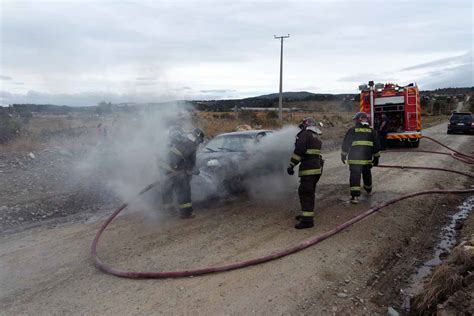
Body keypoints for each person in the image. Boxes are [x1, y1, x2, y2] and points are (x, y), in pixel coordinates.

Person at [287, 117, 324, 229]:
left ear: (305, 125)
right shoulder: (316, 135)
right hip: (317, 168)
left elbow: (299, 151)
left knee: (305, 193)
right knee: (309, 191)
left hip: (308, 168)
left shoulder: (305, 134)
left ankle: (307, 221)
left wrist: (291, 165)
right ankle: (305, 214)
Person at [160, 128, 204, 219]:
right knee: (184, 191)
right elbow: (191, 163)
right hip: (177, 173)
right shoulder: (191, 146)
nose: (199, 144)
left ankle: (169, 212)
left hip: (165, 171)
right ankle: (186, 213)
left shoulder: (176, 142)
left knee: (167, 189)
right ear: (197, 138)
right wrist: (191, 170)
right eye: (199, 141)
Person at [341, 112, 380, 204]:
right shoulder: (372, 131)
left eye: (355, 120)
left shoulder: (352, 130)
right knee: (367, 174)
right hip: (367, 159)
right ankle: (369, 190)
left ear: (359, 120)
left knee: (355, 176)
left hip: (355, 159)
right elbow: (376, 146)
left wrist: (343, 155)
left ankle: (355, 197)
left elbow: (346, 144)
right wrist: (376, 158)